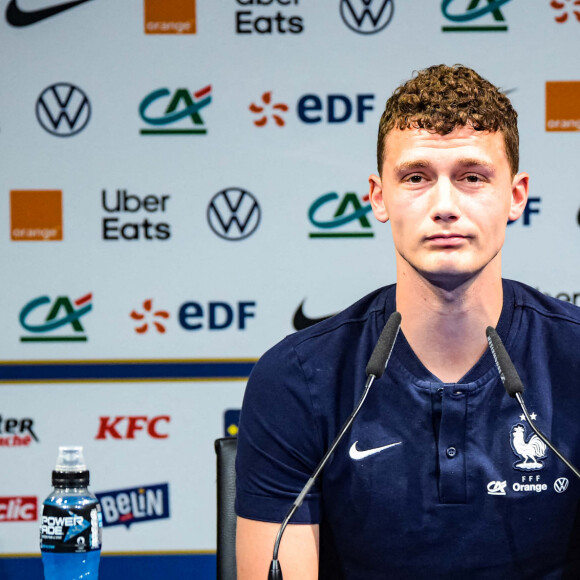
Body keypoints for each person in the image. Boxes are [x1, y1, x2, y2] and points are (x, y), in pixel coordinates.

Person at [234, 64, 580, 579]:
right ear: (378, 197)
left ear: (515, 195)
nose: (444, 206)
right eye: (417, 178)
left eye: (472, 177)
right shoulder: (296, 379)